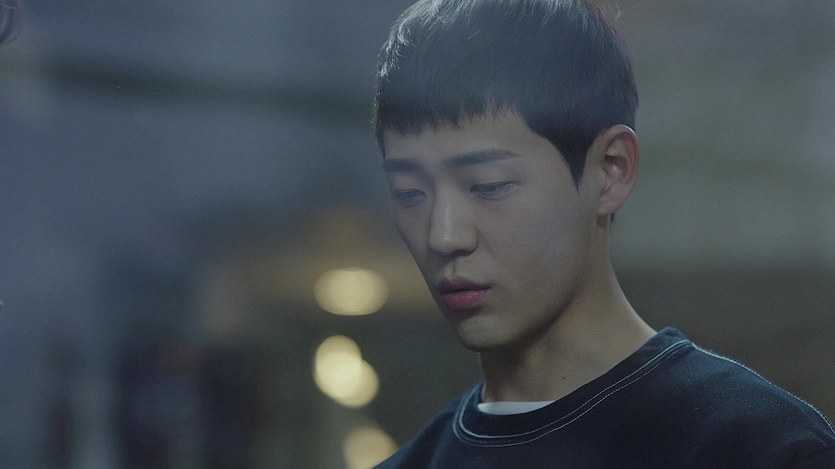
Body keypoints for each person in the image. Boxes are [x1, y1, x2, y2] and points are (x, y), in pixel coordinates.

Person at [371, 0, 835, 467]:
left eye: (489, 185)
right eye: (409, 193)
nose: (443, 235)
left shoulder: (758, 447)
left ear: (611, 170)